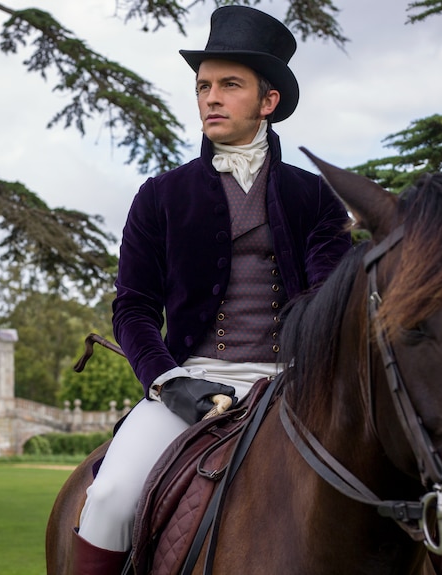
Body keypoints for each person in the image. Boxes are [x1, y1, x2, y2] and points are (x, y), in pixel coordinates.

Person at [71, 6, 353, 573]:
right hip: (187, 385)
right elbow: (134, 307)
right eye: (203, 86)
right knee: (107, 498)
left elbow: (330, 300)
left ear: (267, 102)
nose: (210, 98)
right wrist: (168, 380)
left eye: (229, 85)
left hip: (292, 386)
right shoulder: (160, 196)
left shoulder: (314, 197)